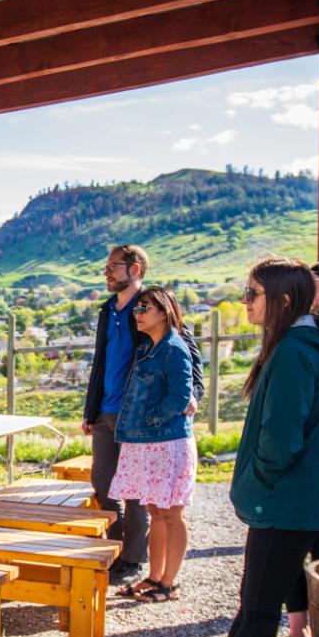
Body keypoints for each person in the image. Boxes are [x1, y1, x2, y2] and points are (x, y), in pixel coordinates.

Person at [152, 258, 319, 637]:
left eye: (252, 293)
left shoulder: (294, 352)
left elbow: (281, 440)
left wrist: (258, 477)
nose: (245, 302)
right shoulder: (303, 345)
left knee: (257, 608)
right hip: (291, 496)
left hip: (286, 498)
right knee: (254, 602)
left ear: (283, 300)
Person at [82, 245, 205, 584]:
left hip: (138, 417)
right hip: (106, 412)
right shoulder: (108, 310)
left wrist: (193, 394)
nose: (107, 272)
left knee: (139, 492)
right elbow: (100, 363)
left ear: (135, 269)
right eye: (106, 266)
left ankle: (135, 560)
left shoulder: (153, 308)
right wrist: (90, 410)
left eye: (113, 266)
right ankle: (117, 551)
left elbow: (188, 358)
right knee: (104, 484)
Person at [106, 287, 196, 603]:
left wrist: (150, 418)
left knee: (172, 513)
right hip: (149, 443)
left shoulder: (174, 348)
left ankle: (168, 583)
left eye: (144, 308)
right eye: (137, 309)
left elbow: (181, 396)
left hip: (168, 443)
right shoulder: (150, 347)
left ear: (165, 310)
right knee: (156, 512)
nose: (138, 314)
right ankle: (155, 577)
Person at [269, 257, 319, 637]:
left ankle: (316, 633)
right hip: (305, 455)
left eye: (316, 285)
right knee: (292, 550)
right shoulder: (300, 335)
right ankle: (297, 629)